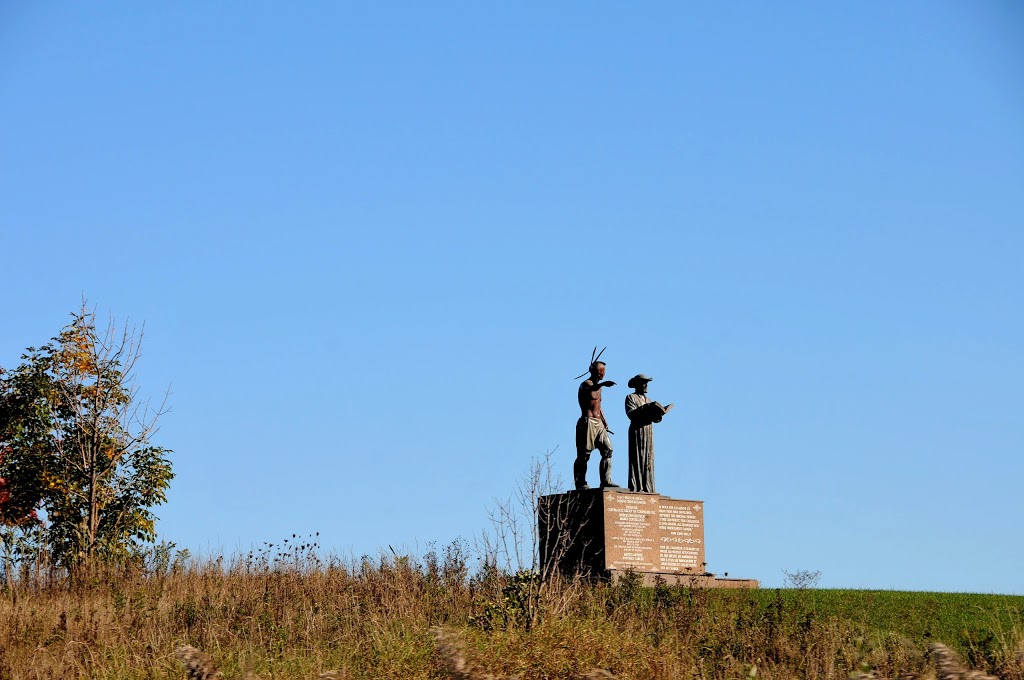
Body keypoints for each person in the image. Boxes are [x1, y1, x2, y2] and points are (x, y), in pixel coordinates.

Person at [575, 360, 619, 490]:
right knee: (584, 455)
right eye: (602, 372)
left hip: (598, 423)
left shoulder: (599, 387)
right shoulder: (585, 385)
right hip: (587, 422)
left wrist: (604, 420)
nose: (603, 374)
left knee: (608, 449)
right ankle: (580, 483)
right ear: (596, 372)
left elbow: (598, 406)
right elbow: (590, 391)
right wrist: (604, 384)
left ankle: (606, 480)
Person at [624, 374, 673, 493]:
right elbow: (631, 414)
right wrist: (645, 409)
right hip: (637, 430)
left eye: (646, 383)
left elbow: (653, 418)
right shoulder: (631, 397)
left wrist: (658, 415)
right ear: (637, 385)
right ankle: (637, 486)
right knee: (638, 457)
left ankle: (648, 487)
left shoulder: (648, 399)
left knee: (648, 459)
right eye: (643, 383)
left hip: (648, 430)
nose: (646, 386)